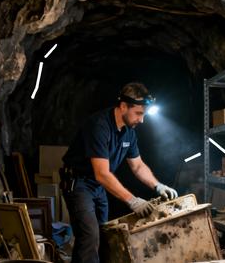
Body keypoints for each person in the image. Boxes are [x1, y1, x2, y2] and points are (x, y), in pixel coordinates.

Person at [60, 82, 178, 263]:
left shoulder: (129, 132)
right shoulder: (99, 126)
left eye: (144, 114)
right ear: (123, 106)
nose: (142, 120)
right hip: (80, 184)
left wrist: (158, 185)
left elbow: (138, 166)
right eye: (138, 113)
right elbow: (102, 173)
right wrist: (133, 201)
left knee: (102, 235)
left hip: (98, 187)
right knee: (90, 237)